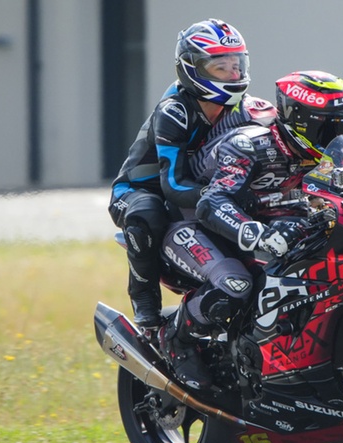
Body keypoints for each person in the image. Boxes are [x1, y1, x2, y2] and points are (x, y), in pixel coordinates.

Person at [159, 71, 343, 390]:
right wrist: (259, 235)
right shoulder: (249, 144)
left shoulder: (323, 155)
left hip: (258, 222)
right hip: (192, 225)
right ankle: (175, 339)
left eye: (342, 127)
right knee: (235, 285)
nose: (336, 137)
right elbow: (211, 202)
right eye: (328, 127)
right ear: (300, 120)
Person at [107, 18, 253, 331]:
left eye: (237, 65)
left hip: (198, 190)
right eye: (221, 67)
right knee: (149, 212)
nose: (233, 74)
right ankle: (144, 303)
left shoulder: (244, 109)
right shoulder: (174, 111)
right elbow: (171, 184)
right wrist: (220, 198)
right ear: (194, 69)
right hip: (137, 193)